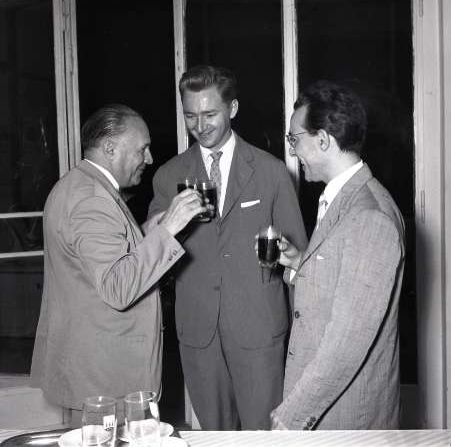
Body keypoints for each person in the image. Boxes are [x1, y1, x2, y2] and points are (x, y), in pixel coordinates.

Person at [147, 65, 307, 430]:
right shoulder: (168, 176)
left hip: (259, 329)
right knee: (213, 434)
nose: (200, 126)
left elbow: (301, 258)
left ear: (232, 109)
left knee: (262, 434)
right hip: (198, 331)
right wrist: (167, 223)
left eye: (209, 114)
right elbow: (152, 255)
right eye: (190, 116)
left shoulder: (271, 171)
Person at [30, 104, 206, 425]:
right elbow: (117, 287)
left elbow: (97, 264)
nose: (149, 159)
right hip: (105, 383)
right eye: (142, 149)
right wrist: (169, 229)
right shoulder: (92, 199)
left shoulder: (80, 185)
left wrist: (145, 233)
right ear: (110, 148)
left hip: (96, 373)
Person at [271, 80, 405, 430]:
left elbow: (347, 341)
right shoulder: (344, 199)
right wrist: (300, 263)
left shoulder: (370, 217)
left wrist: (292, 416)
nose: (292, 151)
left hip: (345, 414)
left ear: (323, 140)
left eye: (294, 139)